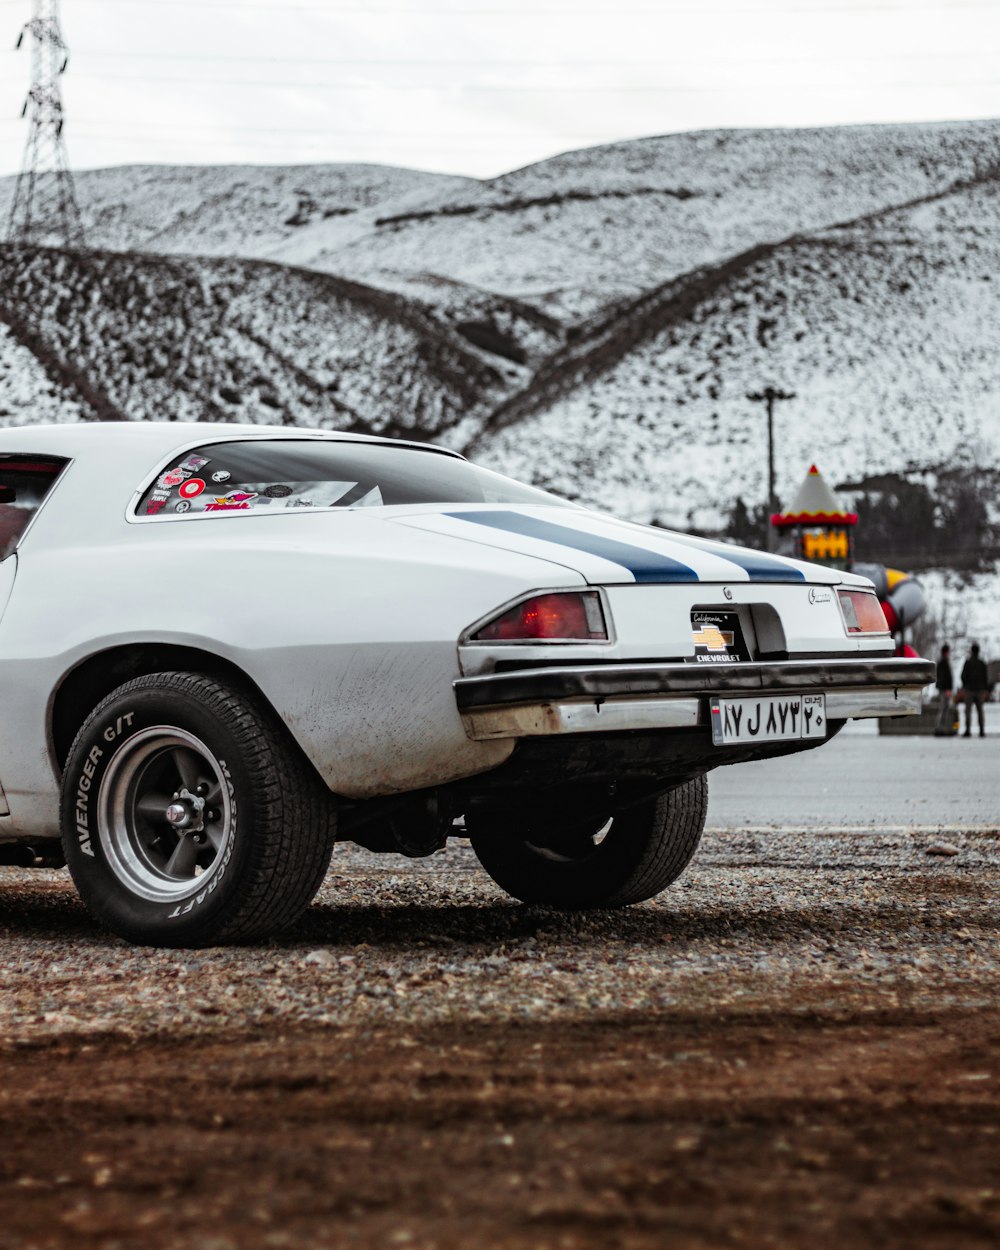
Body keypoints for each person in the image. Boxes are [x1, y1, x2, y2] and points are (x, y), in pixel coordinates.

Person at [960, 643, 988, 738]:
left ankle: (968, 730)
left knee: (968, 711)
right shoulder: (982, 663)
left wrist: (965, 686)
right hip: (980, 690)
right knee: (980, 711)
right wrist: (985, 689)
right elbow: (986, 678)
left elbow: (963, 676)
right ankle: (981, 731)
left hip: (969, 690)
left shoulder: (968, 663)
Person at [934, 643, 954, 734]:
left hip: (943, 688)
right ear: (946, 652)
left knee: (943, 708)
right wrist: (948, 689)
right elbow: (945, 677)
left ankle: (940, 728)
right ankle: (940, 728)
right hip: (944, 689)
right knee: (943, 708)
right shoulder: (943, 662)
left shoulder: (942, 661)